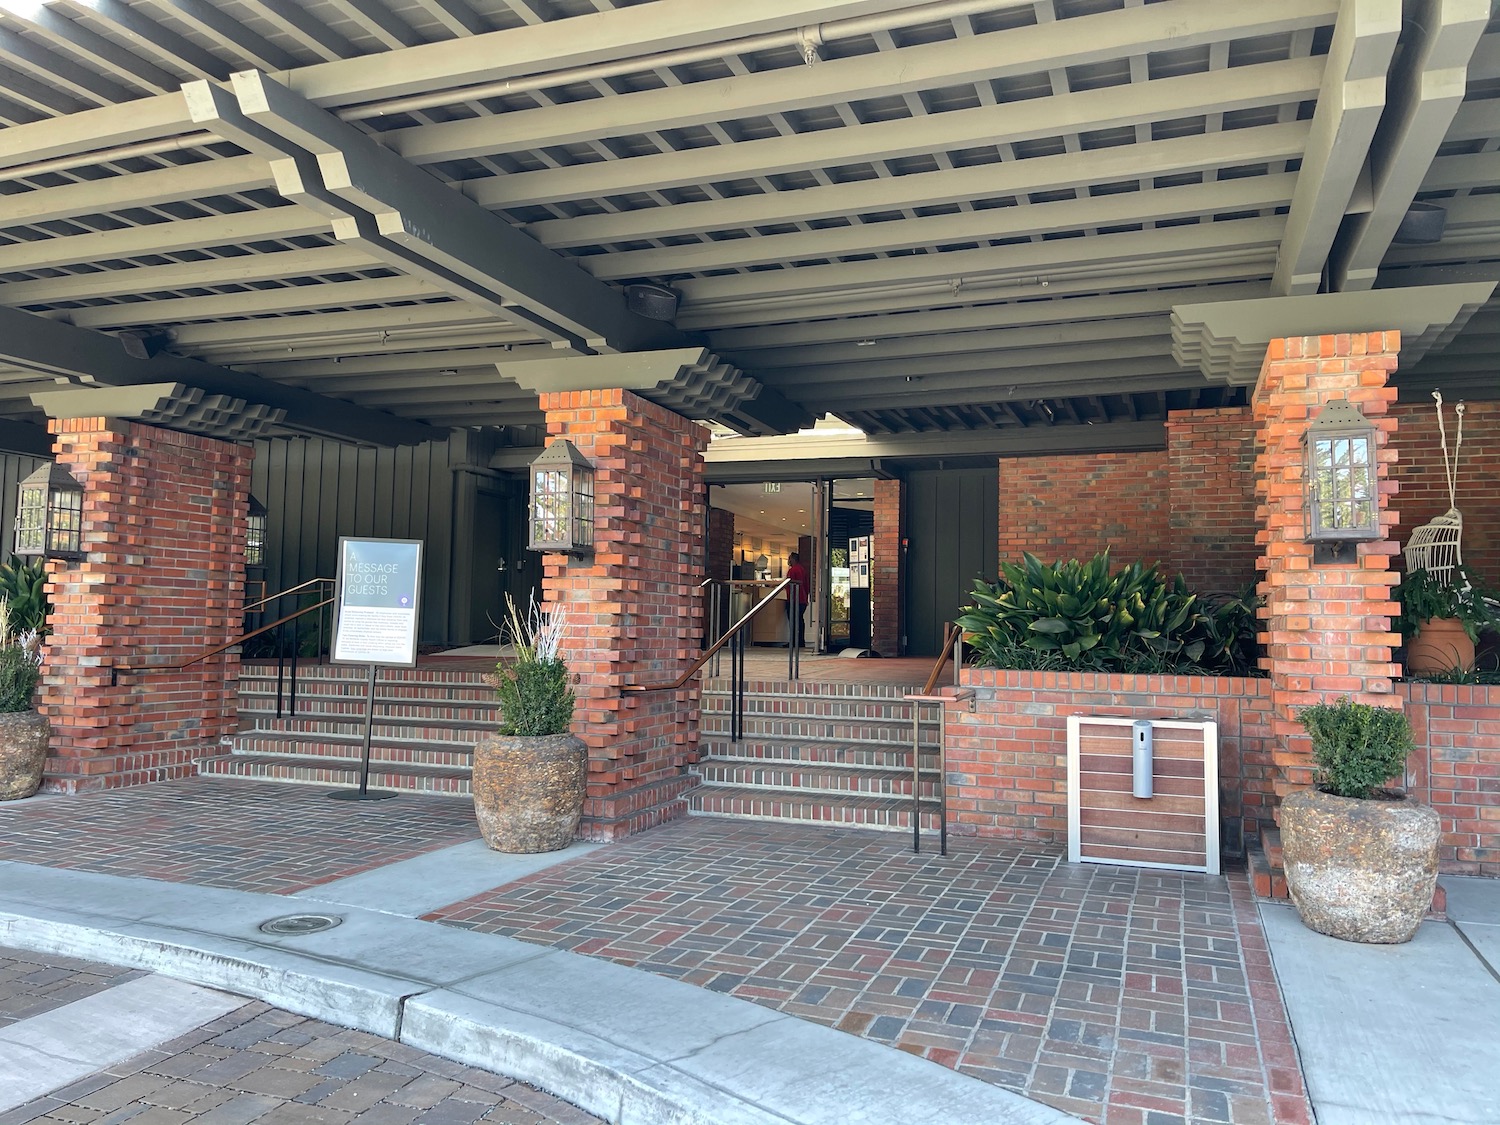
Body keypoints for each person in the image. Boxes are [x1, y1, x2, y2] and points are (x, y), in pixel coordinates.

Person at [786, 551, 810, 648]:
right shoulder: (802, 569)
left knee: (793, 620)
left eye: (790, 558)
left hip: (794, 599)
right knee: (800, 620)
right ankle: (800, 641)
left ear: (793, 559)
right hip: (802, 600)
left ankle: (793, 641)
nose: (789, 560)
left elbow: (789, 585)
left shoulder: (792, 570)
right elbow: (806, 585)